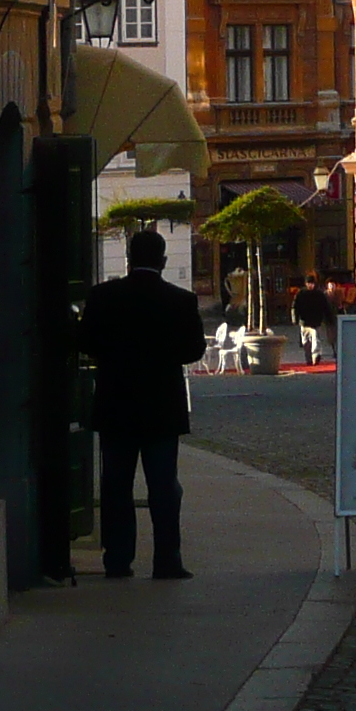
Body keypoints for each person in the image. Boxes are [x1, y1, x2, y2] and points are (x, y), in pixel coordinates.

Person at [78, 228, 207, 578]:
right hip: (161, 407)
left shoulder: (103, 296)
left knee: (116, 485)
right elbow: (194, 350)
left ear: (128, 258)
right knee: (164, 487)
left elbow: (86, 341)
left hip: (116, 403)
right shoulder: (180, 301)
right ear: (163, 261)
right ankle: (167, 559)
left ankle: (118, 559)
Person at [290, 274, 335, 365]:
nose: (311, 285)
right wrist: (295, 318)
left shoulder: (319, 294)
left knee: (316, 339)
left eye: (312, 283)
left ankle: (316, 355)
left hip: (316, 321)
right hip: (304, 321)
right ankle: (308, 357)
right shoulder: (300, 294)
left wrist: (329, 318)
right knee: (305, 342)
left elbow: (326, 307)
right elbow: (295, 307)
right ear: (306, 284)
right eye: (309, 283)